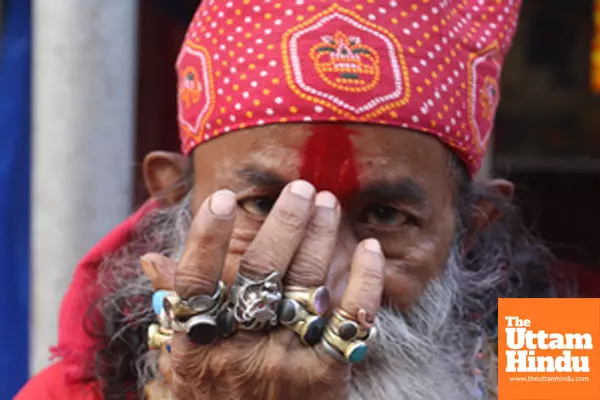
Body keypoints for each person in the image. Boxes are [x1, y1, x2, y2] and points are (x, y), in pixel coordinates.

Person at [17, 0, 560, 398]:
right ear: (174, 197)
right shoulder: (69, 390)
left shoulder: (559, 359)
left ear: (471, 227)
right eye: (265, 206)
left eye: (386, 216)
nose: (322, 284)